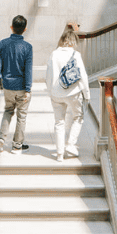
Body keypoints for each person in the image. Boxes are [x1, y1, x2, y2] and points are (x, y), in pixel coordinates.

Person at [45, 22, 90, 161]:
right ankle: (70, 144)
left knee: (59, 122)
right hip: (73, 93)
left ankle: (59, 154)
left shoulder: (54, 54)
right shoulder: (75, 54)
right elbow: (82, 75)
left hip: (56, 94)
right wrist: (86, 94)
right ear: (73, 41)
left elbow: (48, 75)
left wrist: (50, 91)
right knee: (78, 117)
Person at [0, 14, 33, 154]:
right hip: (22, 86)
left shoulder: (3, 44)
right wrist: (28, 89)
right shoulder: (27, 47)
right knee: (21, 115)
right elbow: (28, 70)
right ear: (25, 29)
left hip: (8, 86)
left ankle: (1, 139)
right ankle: (17, 145)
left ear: (11, 27)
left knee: (8, 111)